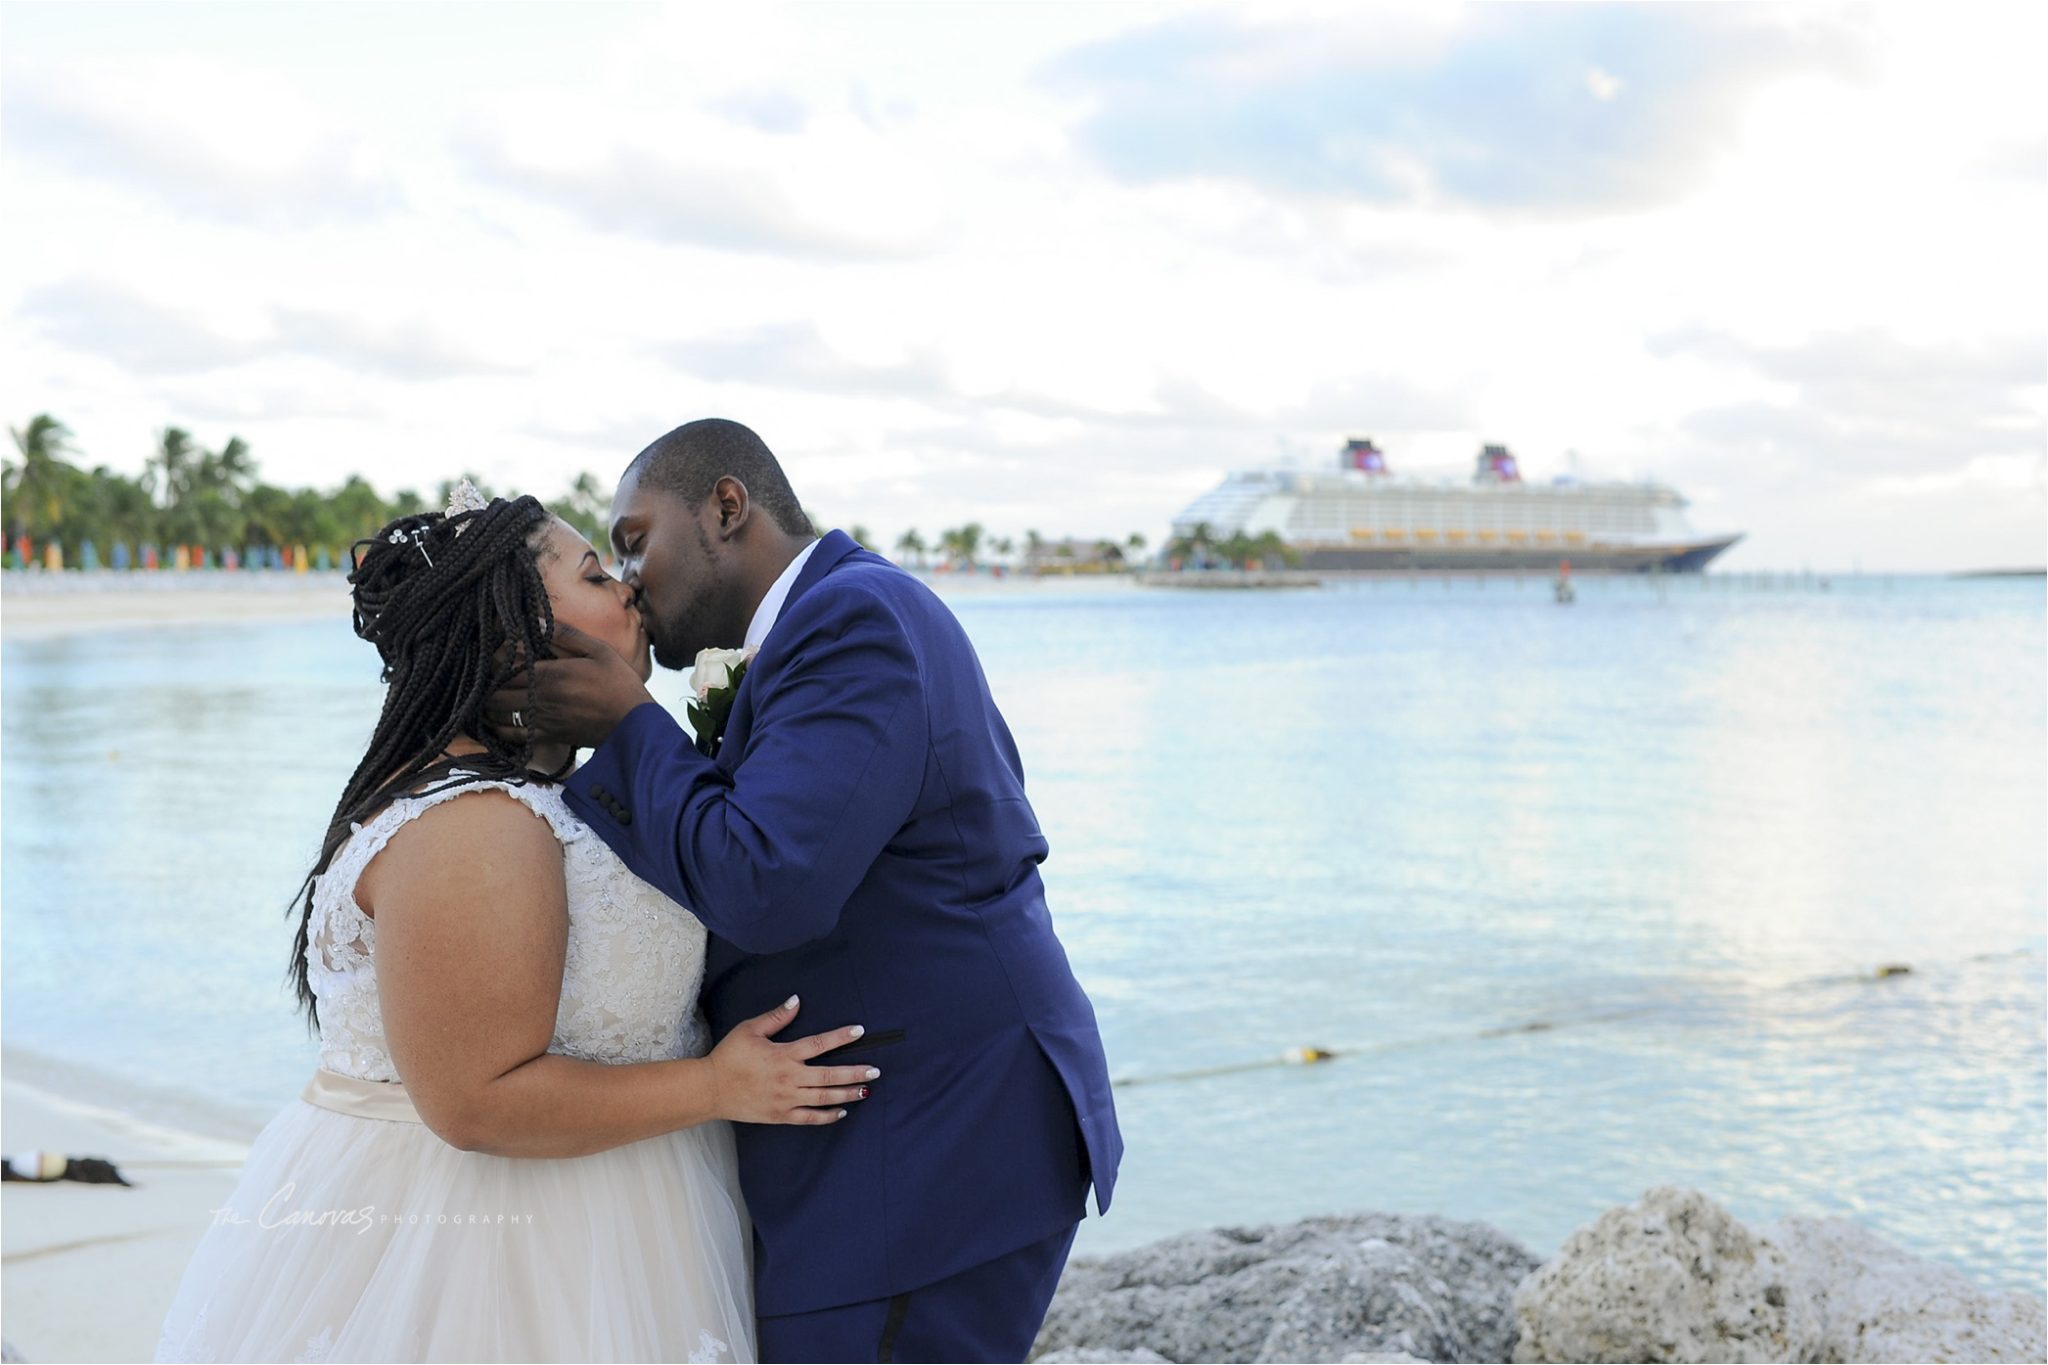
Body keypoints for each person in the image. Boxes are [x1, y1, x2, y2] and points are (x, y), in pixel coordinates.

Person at [155, 486, 881, 1363]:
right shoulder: (475, 821)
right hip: (482, 1245)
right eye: (593, 574)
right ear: (518, 631)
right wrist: (718, 1088)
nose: (627, 589)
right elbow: (475, 1098)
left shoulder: (556, 794)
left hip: (621, 1212)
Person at [493, 420, 1123, 1363]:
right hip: (885, 1140)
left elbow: (768, 885)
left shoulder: (853, 620)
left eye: (635, 541)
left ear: (726, 508)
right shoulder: (820, 623)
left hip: (929, 1150)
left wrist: (629, 726)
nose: (627, 579)